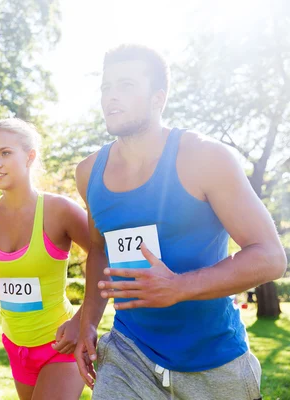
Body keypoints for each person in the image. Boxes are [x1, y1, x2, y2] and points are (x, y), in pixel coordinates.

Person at [73, 44, 287, 400]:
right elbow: (100, 249)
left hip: (214, 362)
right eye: (105, 86)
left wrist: (179, 287)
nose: (111, 96)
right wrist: (88, 322)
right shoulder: (88, 172)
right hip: (129, 354)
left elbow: (270, 256)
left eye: (125, 85)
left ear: (159, 97)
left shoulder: (204, 157)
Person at [0, 118, 90, 399]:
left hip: (60, 344)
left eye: (5, 153)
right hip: (15, 344)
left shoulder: (60, 210)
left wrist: (82, 321)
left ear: (30, 157)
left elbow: (106, 258)